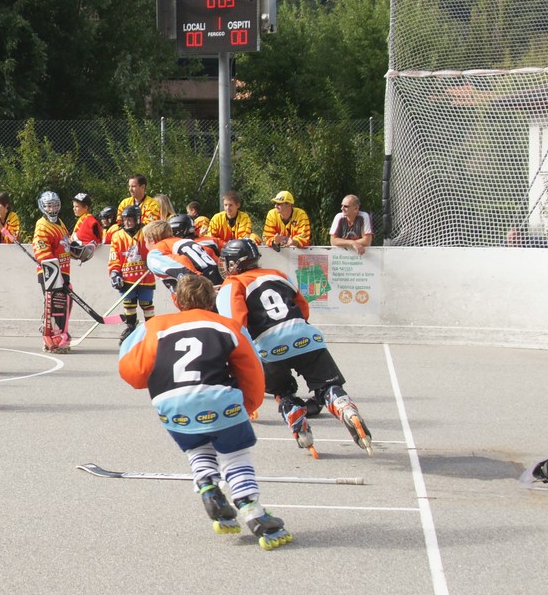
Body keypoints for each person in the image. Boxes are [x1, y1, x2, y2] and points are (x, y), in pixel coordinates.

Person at [119, 273, 292, 551]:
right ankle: (252, 510)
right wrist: (248, 406)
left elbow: (132, 371)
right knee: (235, 453)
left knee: (197, 446)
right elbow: (252, 371)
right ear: (212, 302)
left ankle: (208, 486)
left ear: (176, 301)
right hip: (219, 400)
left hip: (171, 405)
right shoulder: (229, 326)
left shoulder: (154, 326)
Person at [216, 238, 374, 457]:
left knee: (282, 391)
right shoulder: (279, 274)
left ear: (234, 263)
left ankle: (300, 426)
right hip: (306, 337)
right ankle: (344, 407)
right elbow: (303, 307)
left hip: (268, 348)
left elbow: (235, 325)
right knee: (327, 385)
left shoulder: (232, 284)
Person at [33, 190, 75, 353]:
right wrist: (55, 274)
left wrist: (76, 248)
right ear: (43, 207)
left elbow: (66, 242)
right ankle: (52, 338)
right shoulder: (42, 226)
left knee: (64, 304)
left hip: (64, 271)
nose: (52, 209)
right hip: (50, 272)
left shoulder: (60, 223)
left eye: (55, 205)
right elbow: (42, 251)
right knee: (55, 304)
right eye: (49, 206)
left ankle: (57, 334)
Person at [144, 214, 224, 298]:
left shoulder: (154, 253)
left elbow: (180, 265)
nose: (145, 245)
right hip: (218, 278)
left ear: (151, 239)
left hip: (200, 288)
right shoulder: (186, 241)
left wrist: (203, 285)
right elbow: (210, 254)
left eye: (145, 241)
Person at [107, 204, 154, 343]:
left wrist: (153, 261)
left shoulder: (146, 233)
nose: (127, 222)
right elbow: (114, 257)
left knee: (147, 304)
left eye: (130, 219)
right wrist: (115, 273)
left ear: (137, 219)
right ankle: (131, 327)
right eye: (125, 219)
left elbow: (154, 249)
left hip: (145, 277)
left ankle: (151, 329)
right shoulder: (118, 236)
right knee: (129, 304)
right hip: (127, 278)